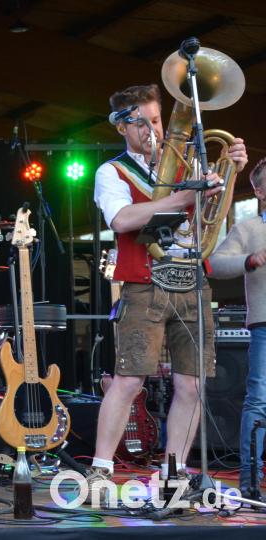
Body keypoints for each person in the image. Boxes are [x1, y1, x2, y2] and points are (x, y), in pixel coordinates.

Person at [89, 83, 247, 497]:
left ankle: (173, 472)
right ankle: (101, 470)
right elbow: (123, 220)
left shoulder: (185, 166)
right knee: (128, 380)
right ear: (121, 128)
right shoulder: (113, 171)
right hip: (144, 282)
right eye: (141, 123)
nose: (152, 131)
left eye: (156, 121)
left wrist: (230, 176)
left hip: (192, 281)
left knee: (192, 385)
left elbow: (211, 218)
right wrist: (184, 196)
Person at [208, 157, 266, 501]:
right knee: (259, 402)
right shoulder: (248, 229)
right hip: (264, 324)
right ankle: (250, 481)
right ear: (259, 191)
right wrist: (251, 259)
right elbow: (213, 263)